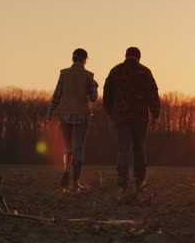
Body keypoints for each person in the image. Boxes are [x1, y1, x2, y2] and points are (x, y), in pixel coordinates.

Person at [103, 47, 160, 196]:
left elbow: (107, 93)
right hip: (140, 117)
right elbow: (153, 93)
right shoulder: (145, 72)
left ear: (126, 56)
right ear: (139, 57)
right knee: (139, 148)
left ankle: (122, 183)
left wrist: (110, 112)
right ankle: (139, 181)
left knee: (123, 149)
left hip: (120, 117)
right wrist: (155, 115)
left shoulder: (115, 71)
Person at [47, 48, 98, 192]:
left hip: (65, 115)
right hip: (82, 115)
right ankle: (75, 183)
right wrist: (94, 85)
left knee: (67, 146)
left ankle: (66, 168)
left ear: (72, 59)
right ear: (84, 60)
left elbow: (56, 95)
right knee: (78, 147)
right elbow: (93, 97)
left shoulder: (64, 74)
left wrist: (50, 114)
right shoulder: (89, 76)